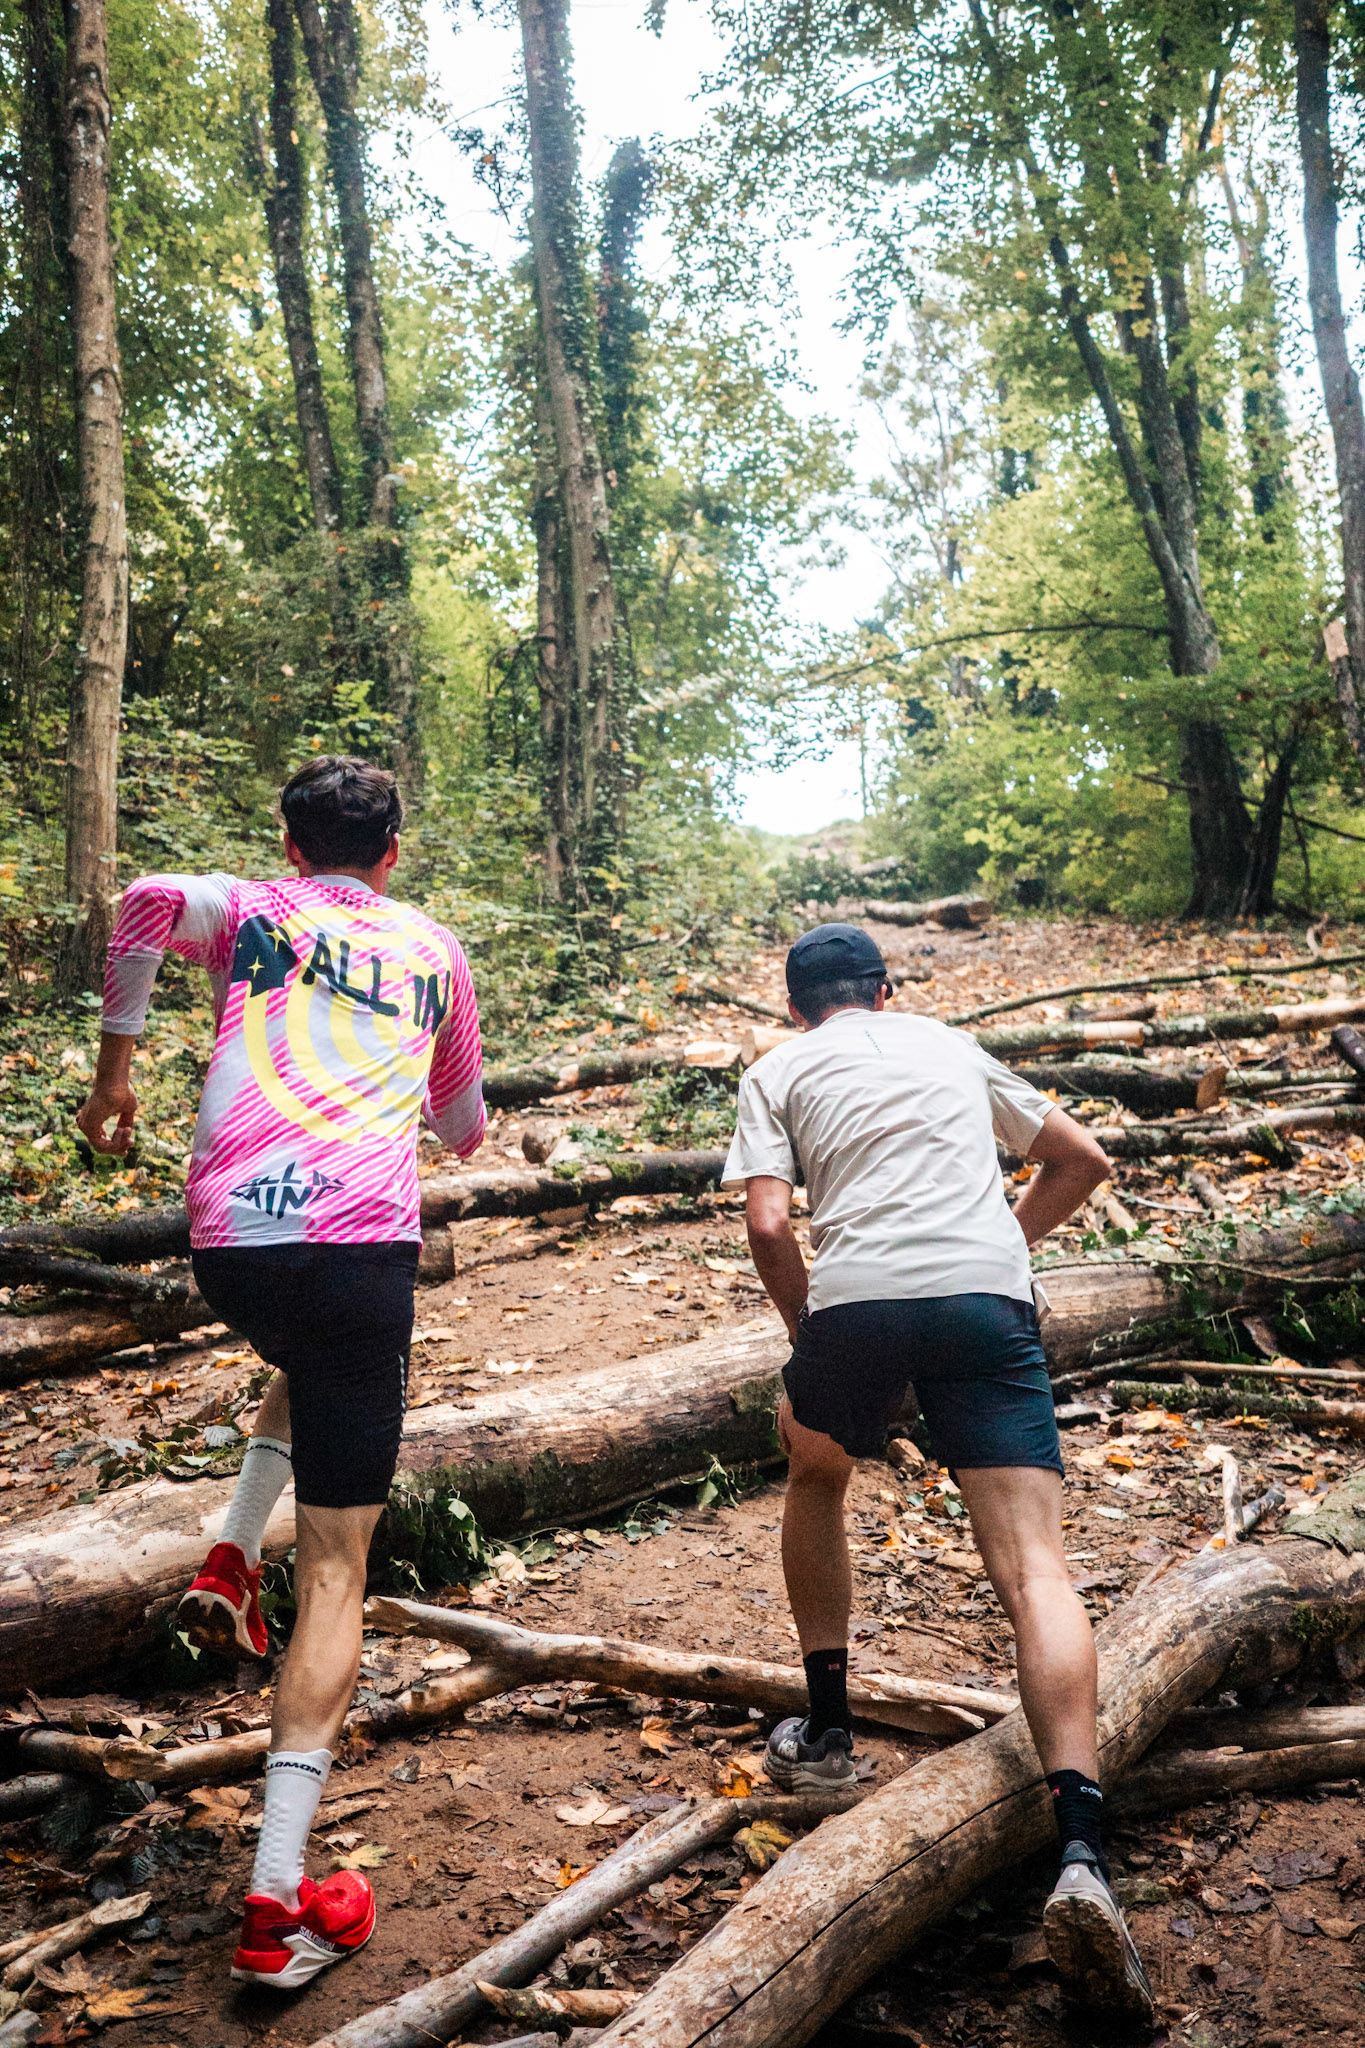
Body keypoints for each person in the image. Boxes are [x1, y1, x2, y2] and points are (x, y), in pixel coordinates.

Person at [76, 755, 485, 1993]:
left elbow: (143, 899)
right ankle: (274, 1902)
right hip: (359, 1250)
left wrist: (115, 1072)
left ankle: (229, 1551)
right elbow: (464, 1128)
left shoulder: (246, 910)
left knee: (307, 1360)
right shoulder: (434, 948)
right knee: (339, 1568)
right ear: (394, 851)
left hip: (232, 1249)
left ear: (289, 844)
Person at [722, 922, 1151, 2019]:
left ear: (795, 1007)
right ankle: (1081, 1846)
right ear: (884, 990)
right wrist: (997, 1247)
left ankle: (827, 1732)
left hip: (856, 1303)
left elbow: (769, 1221)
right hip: (984, 1300)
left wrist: (809, 1328)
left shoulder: (777, 1069)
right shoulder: (952, 1044)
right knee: (1035, 1566)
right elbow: (1083, 1159)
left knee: (815, 1468)